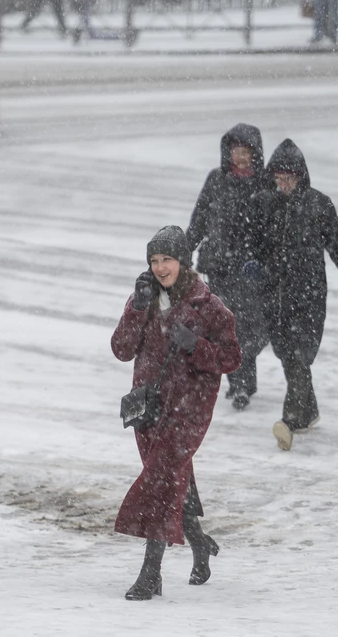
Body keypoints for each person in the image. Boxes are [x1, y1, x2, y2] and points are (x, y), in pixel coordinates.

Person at [111, 226, 241, 601]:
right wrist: (136, 307)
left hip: (189, 410)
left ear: (183, 261)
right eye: (154, 260)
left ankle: (150, 575)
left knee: (160, 482)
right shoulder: (145, 298)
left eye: (166, 259)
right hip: (150, 406)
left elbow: (232, 358)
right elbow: (121, 349)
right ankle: (199, 544)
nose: (160, 267)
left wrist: (196, 346)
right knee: (171, 481)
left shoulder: (209, 306)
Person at [243, 140, 338, 452]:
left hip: (309, 296)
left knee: (301, 356)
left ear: (302, 177)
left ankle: (288, 421)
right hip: (273, 296)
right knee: (288, 357)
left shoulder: (319, 205)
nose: (284, 184)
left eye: (290, 178)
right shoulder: (262, 203)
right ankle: (308, 410)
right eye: (279, 178)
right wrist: (251, 264)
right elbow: (248, 242)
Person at [186, 123, 270, 412]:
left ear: (255, 152)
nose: (241, 157)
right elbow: (198, 220)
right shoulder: (216, 180)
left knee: (254, 329)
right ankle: (239, 385)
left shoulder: (265, 183)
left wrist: (265, 260)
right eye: (236, 150)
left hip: (251, 270)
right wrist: (182, 251)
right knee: (226, 327)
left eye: (246, 151)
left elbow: (274, 230)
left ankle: (244, 379)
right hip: (219, 266)